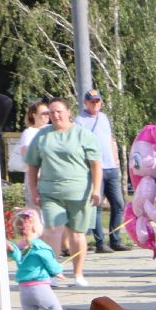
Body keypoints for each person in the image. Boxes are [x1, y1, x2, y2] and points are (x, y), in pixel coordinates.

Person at [25, 95, 103, 288]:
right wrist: (34, 190)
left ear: (69, 112)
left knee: (77, 234)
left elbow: (95, 164)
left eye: (59, 111)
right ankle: (53, 272)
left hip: (79, 192)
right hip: (50, 192)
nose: (55, 115)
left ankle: (78, 274)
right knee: (53, 230)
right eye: (51, 112)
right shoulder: (42, 136)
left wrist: (96, 189)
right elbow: (33, 165)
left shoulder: (83, 135)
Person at [6, 207, 69, 310]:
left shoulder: (21, 247)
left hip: (24, 290)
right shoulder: (41, 247)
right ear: (35, 227)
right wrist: (58, 271)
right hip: (40, 287)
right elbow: (50, 263)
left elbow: (13, 253)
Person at [77, 90, 127, 254]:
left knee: (118, 204)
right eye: (92, 101)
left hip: (111, 167)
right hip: (94, 168)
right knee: (96, 205)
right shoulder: (80, 121)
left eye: (98, 101)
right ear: (85, 102)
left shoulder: (104, 118)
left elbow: (110, 140)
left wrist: (116, 161)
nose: (95, 104)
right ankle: (100, 243)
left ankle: (115, 239)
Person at [9, 100, 48, 180]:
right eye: (43, 113)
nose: (47, 115)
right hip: (37, 177)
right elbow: (27, 156)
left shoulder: (52, 129)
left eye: (48, 113)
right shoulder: (29, 133)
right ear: (34, 115)